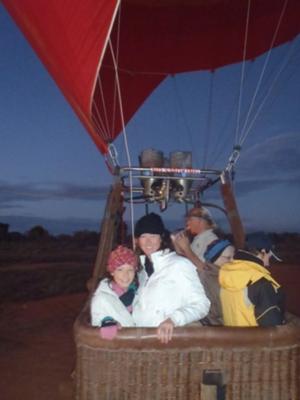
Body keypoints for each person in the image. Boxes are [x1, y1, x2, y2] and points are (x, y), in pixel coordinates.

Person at [132, 212, 210, 344]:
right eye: (143, 236)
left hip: (170, 345)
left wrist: (173, 319)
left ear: (161, 238)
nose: (148, 241)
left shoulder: (179, 265)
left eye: (153, 236)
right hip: (144, 344)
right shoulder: (142, 272)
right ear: (138, 240)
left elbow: (202, 305)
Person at [172, 207, 234, 325]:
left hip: (210, 299)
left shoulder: (210, 240)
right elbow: (190, 262)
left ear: (200, 221)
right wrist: (179, 248)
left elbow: (206, 270)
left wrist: (186, 248)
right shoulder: (199, 238)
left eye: (190, 220)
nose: (187, 223)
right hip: (200, 293)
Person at [219, 232, 285, 327]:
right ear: (262, 251)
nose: (268, 263)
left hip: (231, 338)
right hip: (255, 341)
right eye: (269, 257)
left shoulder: (227, 273)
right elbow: (272, 327)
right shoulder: (261, 283)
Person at [90, 245, 138, 339]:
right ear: (112, 271)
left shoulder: (137, 292)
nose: (125, 275)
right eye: (120, 270)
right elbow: (97, 321)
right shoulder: (101, 298)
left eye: (130, 270)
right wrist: (107, 321)